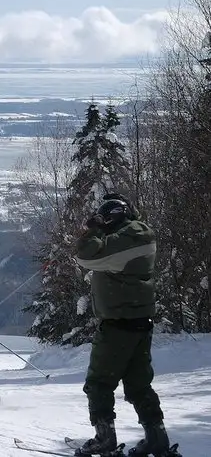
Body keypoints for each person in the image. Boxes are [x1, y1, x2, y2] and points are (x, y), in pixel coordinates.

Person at [73, 195, 180, 457]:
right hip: (141, 323)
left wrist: (93, 229)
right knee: (139, 384)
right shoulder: (141, 234)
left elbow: (85, 256)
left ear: (111, 218)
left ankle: (104, 438)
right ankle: (157, 438)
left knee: (99, 382)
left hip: (118, 324)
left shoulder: (122, 243)